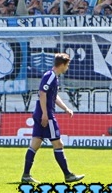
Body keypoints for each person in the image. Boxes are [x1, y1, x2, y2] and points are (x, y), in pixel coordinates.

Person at [21, 52, 83, 185]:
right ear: (62, 64)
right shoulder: (50, 76)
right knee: (58, 144)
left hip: (41, 113)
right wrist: (45, 114)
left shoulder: (53, 76)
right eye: (67, 65)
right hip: (47, 115)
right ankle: (68, 175)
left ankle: (26, 175)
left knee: (35, 144)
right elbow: (42, 93)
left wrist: (66, 108)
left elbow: (53, 96)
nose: (68, 67)